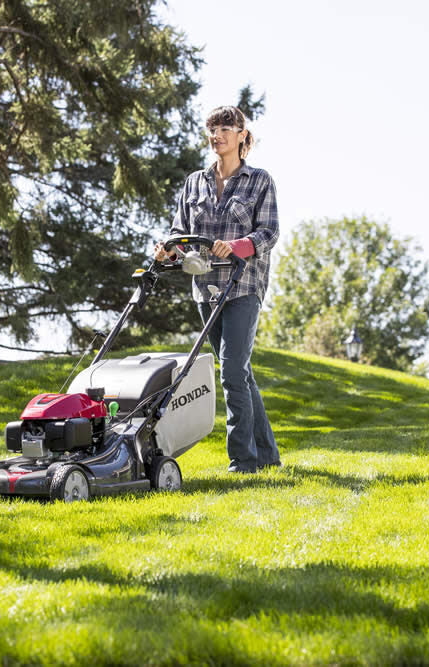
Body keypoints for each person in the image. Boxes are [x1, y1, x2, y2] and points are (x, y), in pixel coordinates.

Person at [154, 105, 280, 474]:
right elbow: (179, 230)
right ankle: (267, 454)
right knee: (239, 372)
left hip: (243, 285)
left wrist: (237, 245)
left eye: (226, 127)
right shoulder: (195, 182)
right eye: (213, 128)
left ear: (243, 135)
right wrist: (168, 250)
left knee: (231, 373)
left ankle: (243, 461)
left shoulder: (259, 181)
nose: (218, 134)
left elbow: (269, 232)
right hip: (205, 288)